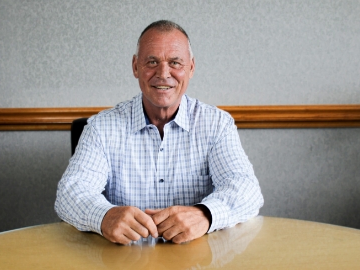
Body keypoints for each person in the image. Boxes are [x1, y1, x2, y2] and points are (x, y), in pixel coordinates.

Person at [55, 20, 263, 245]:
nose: (163, 74)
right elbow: (69, 194)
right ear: (136, 67)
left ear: (191, 68)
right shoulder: (101, 128)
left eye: (175, 63)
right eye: (152, 62)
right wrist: (104, 216)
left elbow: (247, 190)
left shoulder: (217, 124)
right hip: (123, 262)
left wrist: (205, 214)